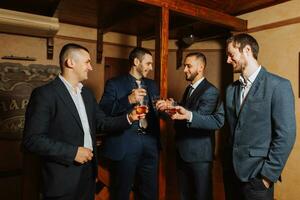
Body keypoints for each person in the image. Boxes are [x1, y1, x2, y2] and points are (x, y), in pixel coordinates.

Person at [23, 43, 143, 200]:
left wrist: (129, 118)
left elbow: (102, 122)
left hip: (88, 175)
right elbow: (32, 140)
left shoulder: (86, 94)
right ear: (70, 62)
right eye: (87, 62)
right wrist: (73, 153)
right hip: (61, 179)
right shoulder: (45, 94)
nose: (91, 67)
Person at [223, 33, 296, 200]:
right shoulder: (230, 89)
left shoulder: (279, 86)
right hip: (231, 174)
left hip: (257, 179)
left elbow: (286, 135)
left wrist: (267, 177)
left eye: (231, 54)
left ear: (247, 50)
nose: (228, 60)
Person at [157, 52, 224, 200]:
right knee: (184, 196)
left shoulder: (211, 91)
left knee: (202, 196)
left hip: (199, 155)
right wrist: (172, 105)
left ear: (200, 67)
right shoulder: (190, 88)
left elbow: (200, 118)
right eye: (185, 66)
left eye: (188, 66)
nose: (185, 70)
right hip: (183, 152)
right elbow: (187, 109)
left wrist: (179, 110)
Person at [99, 47, 160, 200]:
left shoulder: (152, 85)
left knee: (150, 191)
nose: (151, 68)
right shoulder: (114, 84)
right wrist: (128, 100)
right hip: (125, 142)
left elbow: (155, 111)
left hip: (150, 142)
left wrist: (164, 107)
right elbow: (104, 110)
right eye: (148, 63)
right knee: (122, 191)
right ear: (136, 62)